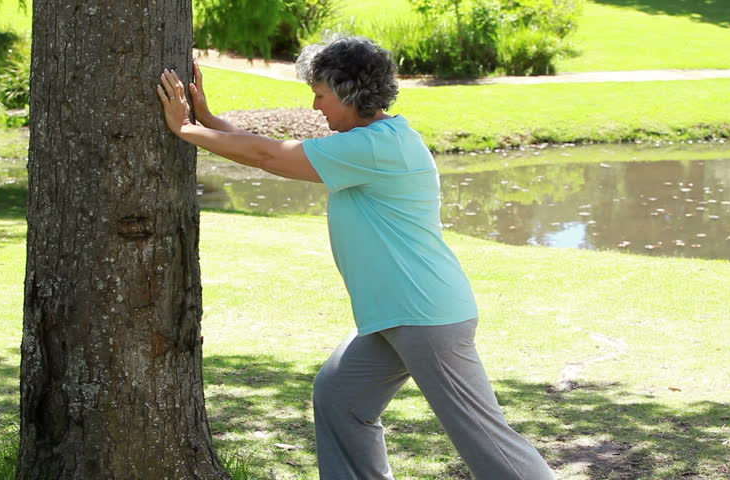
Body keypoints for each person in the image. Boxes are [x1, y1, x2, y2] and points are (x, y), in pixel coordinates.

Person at [157, 34, 555, 480]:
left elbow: (269, 157)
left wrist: (187, 130)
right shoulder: (369, 142)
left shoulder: (376, 147)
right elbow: (273, 149)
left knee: (485, 439)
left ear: (349, 92)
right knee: (340, 396)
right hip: (396, 315)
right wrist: (208, 119)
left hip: (424, 315)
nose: (315, 106)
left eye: (320, 94)